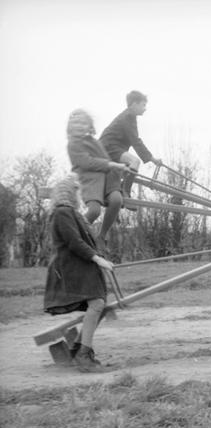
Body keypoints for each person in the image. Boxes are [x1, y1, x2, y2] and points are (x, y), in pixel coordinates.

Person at [43, 174, 115, 372]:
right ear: (69, 193)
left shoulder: (71, 213)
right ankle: (83, 354)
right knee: (98, 303)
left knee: (98, 303)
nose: (81, 196)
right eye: (78, 191)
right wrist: (98, 260)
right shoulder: (63, 213)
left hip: (79, 267)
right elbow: (74, 242)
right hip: (71, 268)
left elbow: (85, 241)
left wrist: (100, 257)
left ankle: (80, 349)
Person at [66, 108, 129, 249]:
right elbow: (86, 163)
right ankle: (73, 234)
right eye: (76, 123)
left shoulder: (94, 141)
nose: (79, 126)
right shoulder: (73, 145)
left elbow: (105, 158)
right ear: (70, 127)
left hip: (107, 176)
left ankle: (102, 235)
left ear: (89, 126)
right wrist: (111, 164)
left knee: (116, 200)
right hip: (90, 178)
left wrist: (119, 168)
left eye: (83, 123)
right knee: (94, 210)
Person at [99, 90, 162, 201]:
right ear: (134, 104)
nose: (145, 108)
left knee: (126, 169)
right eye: (143, 105)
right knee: (134, 162)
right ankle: (125, 191)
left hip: (110, 147)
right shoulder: (128, 117)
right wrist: (153, 159)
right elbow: (135, 141)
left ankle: (118, 192)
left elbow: (134, 140)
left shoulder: (129, 116)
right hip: (109, 147)